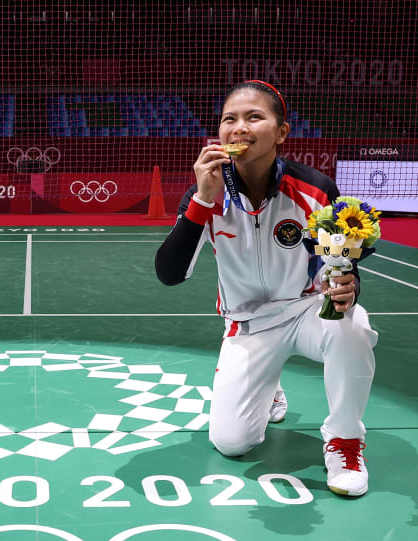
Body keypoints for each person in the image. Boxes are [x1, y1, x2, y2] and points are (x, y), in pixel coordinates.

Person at [155, 81, 377, 496]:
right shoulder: (206, 195)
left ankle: (345, 442)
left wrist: (350, 284)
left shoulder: (314, 189)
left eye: (254, 117)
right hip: (249, 325)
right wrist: (202, 201)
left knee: (354, 325)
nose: (239, 127)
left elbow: (344, 254)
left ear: (281, 132)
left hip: (308, 310)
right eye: (229, 119)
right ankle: (270, 387)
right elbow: (169, 273)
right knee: (231, 443)